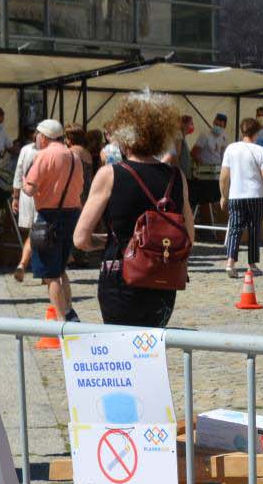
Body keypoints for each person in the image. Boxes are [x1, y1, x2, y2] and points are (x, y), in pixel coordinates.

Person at [74, 92, 192, 327]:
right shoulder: (176, 176)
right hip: (163, 279)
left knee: (123, 355)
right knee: (151, 353)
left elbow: (80, 239)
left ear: (123, 134)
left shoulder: (110, 174)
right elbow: (189, 236)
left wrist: (108, 241)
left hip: (121, 279)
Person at [23, 118, 84, 322]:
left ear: (44, 137)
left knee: (50, 275)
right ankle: (70, 312)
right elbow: (80, 187)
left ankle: (62, 321)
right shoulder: (74, 156)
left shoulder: (44, 155)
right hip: (72, 214)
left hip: (49, 217)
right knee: (61, 269)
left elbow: (29, 189)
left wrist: (24, 184)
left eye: (37, 136)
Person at [220, 117, 263, 278]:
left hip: (236, 196)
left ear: (242, 131)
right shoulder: (262, 151)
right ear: (257, 133)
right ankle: (252, 265)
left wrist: (223, 195)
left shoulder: (231, 149)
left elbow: (224, 176)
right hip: (255, 196)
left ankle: (230, 263)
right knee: (254, 230)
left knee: (235, 229)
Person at [8, 124, 41, 281]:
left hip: (26, 195)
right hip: (42, 195)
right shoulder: (50, 152)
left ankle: (24, 264)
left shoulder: (25, 149)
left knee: (34, 232)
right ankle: (39, 269)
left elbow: (18, 174)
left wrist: (15, 197)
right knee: (41, 232)